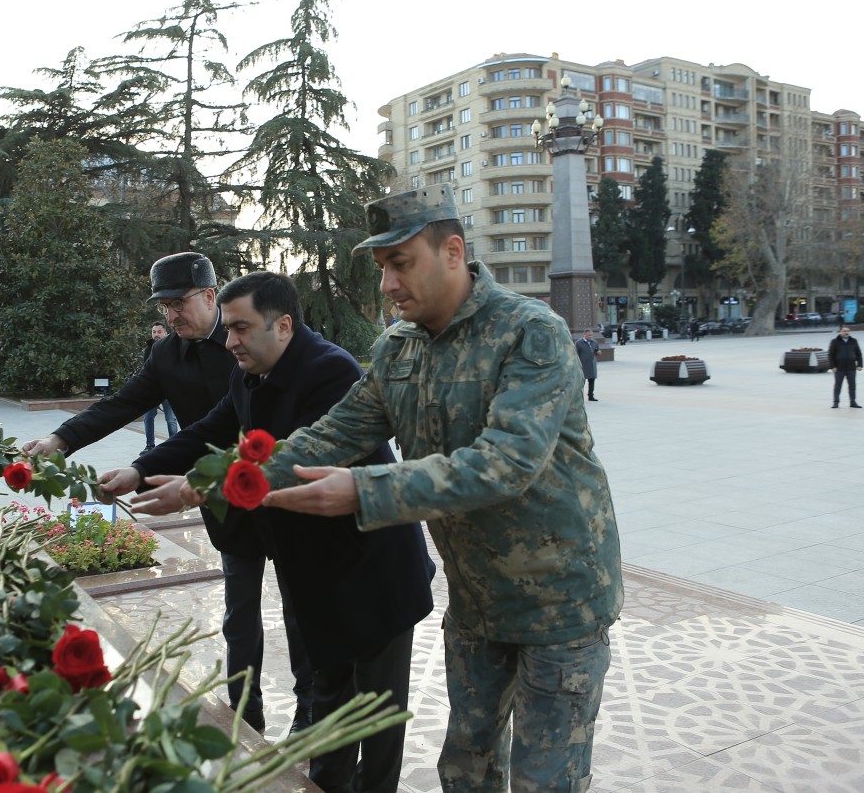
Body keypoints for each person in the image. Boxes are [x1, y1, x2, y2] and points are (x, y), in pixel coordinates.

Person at [251, 183, 624, 793]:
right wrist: (216, 481)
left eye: (401, 264)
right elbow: (331, 434)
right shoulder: (397, 348)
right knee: (465, 767)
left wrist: (365, 491)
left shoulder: (531, 333)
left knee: (544, 780)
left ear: (452, 252)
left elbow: (507, 462)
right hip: (477, 601)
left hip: (562, 604)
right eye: (381, 268)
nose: (388, 284)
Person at [104, 272, 435, 792]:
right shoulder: (248, 372)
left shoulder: (329, 371)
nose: (229, 341)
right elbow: (209, 430)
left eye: (240, 328)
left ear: (283, 326)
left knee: (378, 719)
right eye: (228, 329)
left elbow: (294, 457)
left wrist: (196, 489)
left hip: (373, 572)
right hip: (314, 572)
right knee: (328, 715)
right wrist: (140, 468)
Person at [20, 252, 311, 734]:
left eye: (180, 303)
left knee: (302, 610)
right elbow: (123, 404)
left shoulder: (253, 340)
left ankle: (309, 713)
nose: (172, 315)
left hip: (281, 494)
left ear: (209, 296)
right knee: (240, 616)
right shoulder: (165, 353)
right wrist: (61, 439)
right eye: (163, 306)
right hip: (222, 502)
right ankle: (246, 714)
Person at [141, 321, 179, 451]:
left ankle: (173, 446)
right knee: (148, 418)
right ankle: (149, 446)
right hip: (151, 391)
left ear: (166, 333)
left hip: (168, 391)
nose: (156, 334)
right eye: (154, 332)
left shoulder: (172, 348)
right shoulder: (148, 348)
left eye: (159, 332)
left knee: (171, 419)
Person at [828, 325, 864, 409]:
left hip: (851, 367)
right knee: (838, 386)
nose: (846, 332)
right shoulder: (834, 341)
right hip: (839, 368)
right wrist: (832, 366)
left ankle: (853, 402)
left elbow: (859, 353)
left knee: (852, 386)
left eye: (848, 331)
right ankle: (836, 402)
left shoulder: (854, 341)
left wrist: (860, 365)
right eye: (844, 331)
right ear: (840, 332)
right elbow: (830, 355)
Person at [576, 329, 599, 402]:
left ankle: (591, 395)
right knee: (582, 381)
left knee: (592, 380)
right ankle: (579, 396)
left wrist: (598, 352)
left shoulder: (594, 342)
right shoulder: (579, 343)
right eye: (589, 335)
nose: (590, 336)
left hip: (592, 364)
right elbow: (576, 354)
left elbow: (596, 350)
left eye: (591, 335)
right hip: (583, 365)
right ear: (585, 335)